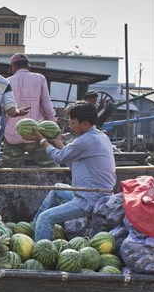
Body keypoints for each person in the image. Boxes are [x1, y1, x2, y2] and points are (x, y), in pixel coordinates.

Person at [24, 102, 116, 241]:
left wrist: (42, 141)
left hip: (89, 199)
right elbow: (69, 157)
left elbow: (59, 157)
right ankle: (35, 228)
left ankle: (41, 253)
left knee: (46, 218)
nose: (70, 126)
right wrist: (57, 142)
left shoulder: (86, 140)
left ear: (85, 124)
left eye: (73, 123)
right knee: (57, 189)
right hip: (95, 193)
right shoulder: (99, 136)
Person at [2, 53, 59, 168]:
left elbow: (3, 110)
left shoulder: (6, 82)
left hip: (12, 136)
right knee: (51, 167)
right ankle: (58, 185)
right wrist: (53, 126)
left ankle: (8, 186)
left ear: (13, 67)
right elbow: (47, 105)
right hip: (36, 134)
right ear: (28, 67)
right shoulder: (39, 78)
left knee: (8, 170)